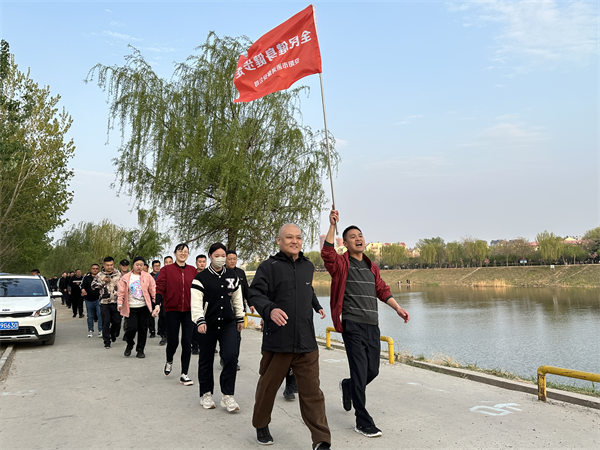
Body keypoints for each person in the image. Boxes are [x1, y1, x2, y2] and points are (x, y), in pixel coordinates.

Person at [321, 209, 410, 439]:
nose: (358, 238)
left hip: (372, 325)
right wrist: (332, 225)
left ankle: (348, 386)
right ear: (345, 244)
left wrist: (397, 308)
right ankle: (362, 420)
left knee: (372, 370)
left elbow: (382, 289)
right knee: (360, 371)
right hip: (352, 325)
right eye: (352, 237)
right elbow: (327, 254)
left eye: (360, 235)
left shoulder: (372, 267)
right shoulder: (342, 264)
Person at [248, 223, 331, 450]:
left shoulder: (307, 266)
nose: (295, 241)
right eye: (289, 237)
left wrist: (316, 305)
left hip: (306, 341)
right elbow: (254, 293)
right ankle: (261, 424)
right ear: (279, 240)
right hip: (278, 341)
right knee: (268, 388)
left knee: (313, 393)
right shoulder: (268, 267)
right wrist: (270, 309)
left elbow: (307, 290)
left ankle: (321, 439)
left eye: (298, 237)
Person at [191, 243, 244, 412]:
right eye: (217, 256)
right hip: (207, 324)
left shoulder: (232, 275)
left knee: (231, 357)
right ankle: (206, 393)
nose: (220, 259)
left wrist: (240, 317)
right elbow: (196, 303)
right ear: (210, 257)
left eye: (223, 255)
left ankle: (228, 395)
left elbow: (237, 298)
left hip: (228, 323)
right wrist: (200, 320)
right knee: (206, 359)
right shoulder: (201, 278)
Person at [155, 244, 197, 386]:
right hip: (172, 310)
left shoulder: (192, 270)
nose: (183, 253)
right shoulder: (166, 270)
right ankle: (169, 360)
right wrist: (157, 304)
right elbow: (160, 288)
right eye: (180, 251)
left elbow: (198, 290)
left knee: (187, 342)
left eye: (185, 251)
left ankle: (184, 374)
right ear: (175, 253)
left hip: (189, 311)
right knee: (173, 342)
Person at [117, 256, 160, 358]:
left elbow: (153, 290)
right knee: (131, 328)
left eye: (141, 265)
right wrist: (120, 303)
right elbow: (121, 291)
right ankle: (130, 343)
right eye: (137, 265)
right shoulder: (126, 277)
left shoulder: (147, 277)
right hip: (131, 307)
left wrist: (156, 303)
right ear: (133, 265)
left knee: (143, 329)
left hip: (143, 307)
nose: (139, 267)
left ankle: (140, 350)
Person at [92, 257, 123, 349]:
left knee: (117, 321)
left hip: (116, 301)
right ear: (104, 265)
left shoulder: (118, 274)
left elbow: (124, 286)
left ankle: (113, 333)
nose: (110, 267)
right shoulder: (99, 275)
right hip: (104, 302)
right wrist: (103, 282)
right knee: (106, 322)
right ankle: (106, 341)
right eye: (108, 265)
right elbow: (93, 286)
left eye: (111, 265)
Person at [191, 254, 208, 355]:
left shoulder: (209, 274)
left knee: (208, 325)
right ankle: (194, 346)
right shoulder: (193, 274)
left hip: (207, 303)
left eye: (204, 262)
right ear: (196, 263)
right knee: (195, 325)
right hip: (196, 302)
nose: (202, 264)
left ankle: (207, 345)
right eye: (200, 262)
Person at [81, 264, 102, 338]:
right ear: (90, 269)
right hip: (89, 299)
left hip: (99, 299)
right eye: (93, 268)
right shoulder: (86, 278)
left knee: (100, 315)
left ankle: (100, 330)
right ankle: (90, 330)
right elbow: (82, 285)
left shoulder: (101, 277)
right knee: (90, 316)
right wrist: (83, 290)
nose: (95, 270)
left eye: (96, 268)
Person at [157, 256, 173, 346]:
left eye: (170, 262)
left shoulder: (176, 273)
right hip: (163, 299)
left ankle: (169, 335)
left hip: (173, 299)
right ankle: (163, 335)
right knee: (163, 317)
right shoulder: (160, 273)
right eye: (166, 262)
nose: (168, 264)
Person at [148, 259, 162, 339]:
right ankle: (152, 330)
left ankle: (160, 330)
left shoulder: (162, 274)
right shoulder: (149, 276)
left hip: (160, 296)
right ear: (152, 267)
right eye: (155, 266)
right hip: (151, 297)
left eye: (158, 266)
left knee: (162, 315)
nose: (157, 267)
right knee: (151, 314)